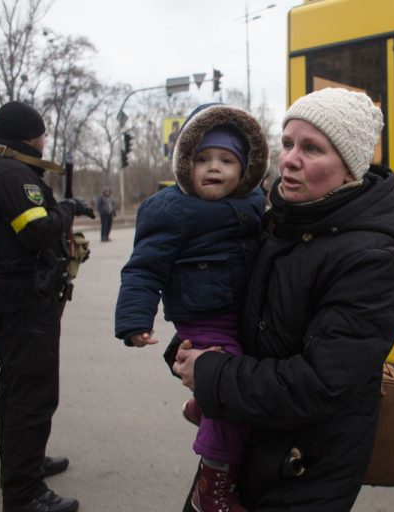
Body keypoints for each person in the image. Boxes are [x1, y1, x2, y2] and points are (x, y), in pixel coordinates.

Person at [171, 87, 394, 511]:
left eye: (312, 148)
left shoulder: (368, 259)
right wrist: (192, 351)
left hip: (303, 473)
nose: (289, 159)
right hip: (247, 445)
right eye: (287, 143)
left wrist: (212, 374)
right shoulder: (277, 224)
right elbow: (240, 325)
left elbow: (319, 384)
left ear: (350, 169)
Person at [115, 103, 268, 512]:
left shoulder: (255, 202)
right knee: (230, 384)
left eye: (226, 159)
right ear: (185, 163)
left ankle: (199, 407)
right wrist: (134, 319)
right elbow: (143, 269)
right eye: (202, 159)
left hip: (242, 313)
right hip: (203, 317)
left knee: (246, 376)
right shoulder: (171, 210)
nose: (213, 168)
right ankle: (213, 483)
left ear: (245, 167)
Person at [0, 102, 95, 512]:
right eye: (42, 134)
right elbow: (39, 232)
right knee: (33, 392)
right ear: (31, 135)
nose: (45, 141)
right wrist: (68, 209)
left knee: (15, 385)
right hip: (23, 295)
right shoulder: (11, 173)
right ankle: (24, 493)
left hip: (5, 290)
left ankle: (22, 463)